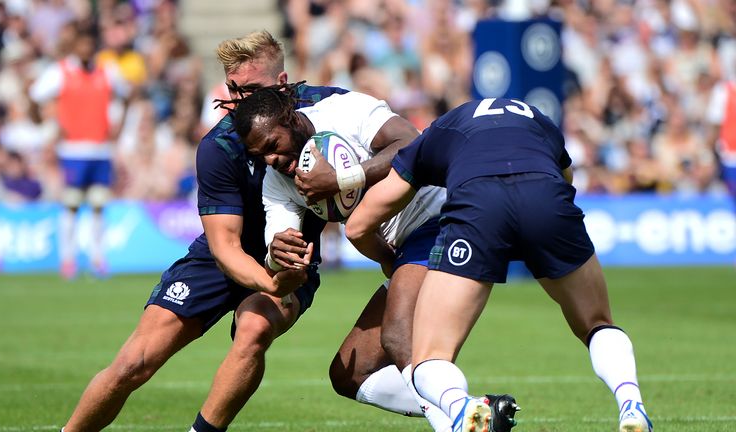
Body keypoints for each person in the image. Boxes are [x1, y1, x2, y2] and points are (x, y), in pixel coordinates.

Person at [59, 30, 343, 432]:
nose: (240, 101)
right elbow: (225, 247)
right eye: (233, 89)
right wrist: (271, 283)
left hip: (288, 260)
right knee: (132, 363)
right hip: (221, 258)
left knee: (254, 329)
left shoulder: (332, 110)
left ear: (282, 85)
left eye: (252, 90)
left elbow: (385, 139)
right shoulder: (219, 146)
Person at [345, 97, 653, 432]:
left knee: (430, 356)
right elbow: (566, 179)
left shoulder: (440, 131)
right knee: (597, 324)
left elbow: (359, 225)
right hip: (546, 198)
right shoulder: (539, 119)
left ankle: (465, 410)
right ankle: (632, 405)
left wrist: (387, 259)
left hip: (480, 206)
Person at [231, 85, 453, 431]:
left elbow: (411, 143)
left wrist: (341, 179)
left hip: (441, 219)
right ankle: (468, 408)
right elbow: (279, 244)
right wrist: (277, 258)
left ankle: (461, 418)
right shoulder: (277, 183)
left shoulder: (343, 112)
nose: (270, 161)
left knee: (397, 337)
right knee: (351, 374)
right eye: (259, 156)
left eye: (272, 146)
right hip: (403, 251)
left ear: (290, 119)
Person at [29, 29, 130, 279]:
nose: (86, 50)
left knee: (98, 204)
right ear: (75, 47)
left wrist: (118, 125)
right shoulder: (60, 71)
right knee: (71, 204)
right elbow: (34, 96)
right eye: (81, 45)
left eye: (89, 45)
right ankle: (68, 260)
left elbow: (127, 94)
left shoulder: (107, 71)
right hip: (73, 149)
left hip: (100, 149)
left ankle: (98, 259)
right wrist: (49, 125)